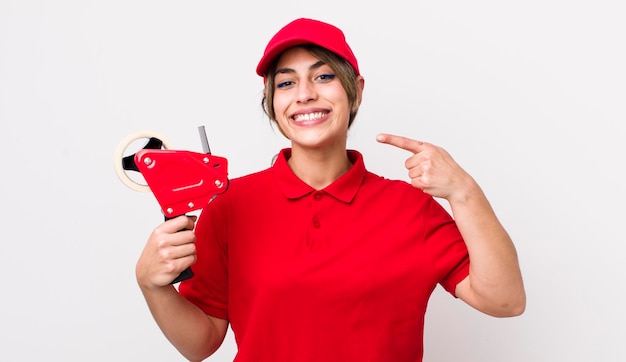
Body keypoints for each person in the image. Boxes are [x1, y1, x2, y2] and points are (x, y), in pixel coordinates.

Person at [135, 17, 526, 362]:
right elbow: (200, 344)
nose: (304, 93)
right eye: (286, 82)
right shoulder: (229, 206)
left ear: (355, 88)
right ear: (271, 101)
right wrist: (152, 286)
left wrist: (465, 192)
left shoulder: (411, 208)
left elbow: (504, 300)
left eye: (323, 76)